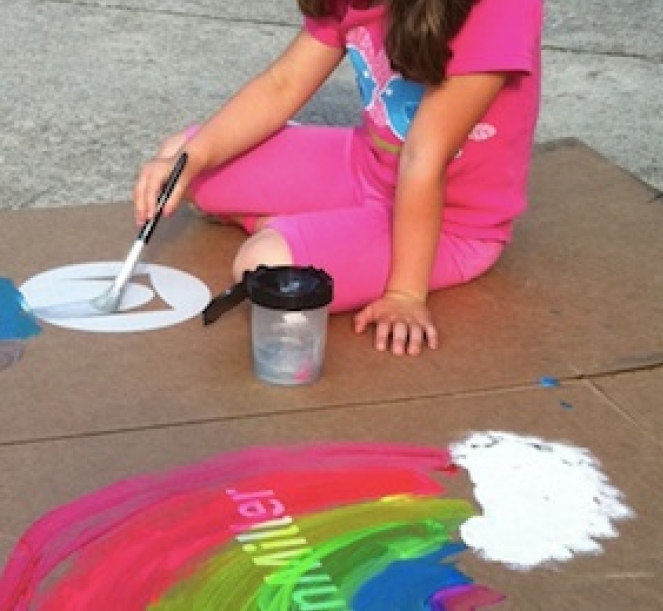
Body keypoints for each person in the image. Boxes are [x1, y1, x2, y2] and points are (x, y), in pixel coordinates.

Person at [134, 0, 543, 356]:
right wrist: (197, 156)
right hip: (364, 166)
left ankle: (293, 229)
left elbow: (423, 158)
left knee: (264, 267)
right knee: (181, 160)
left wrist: (404, 295)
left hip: (451, 224)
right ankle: (316, 228)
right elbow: (282, 84)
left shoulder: (499, 5)